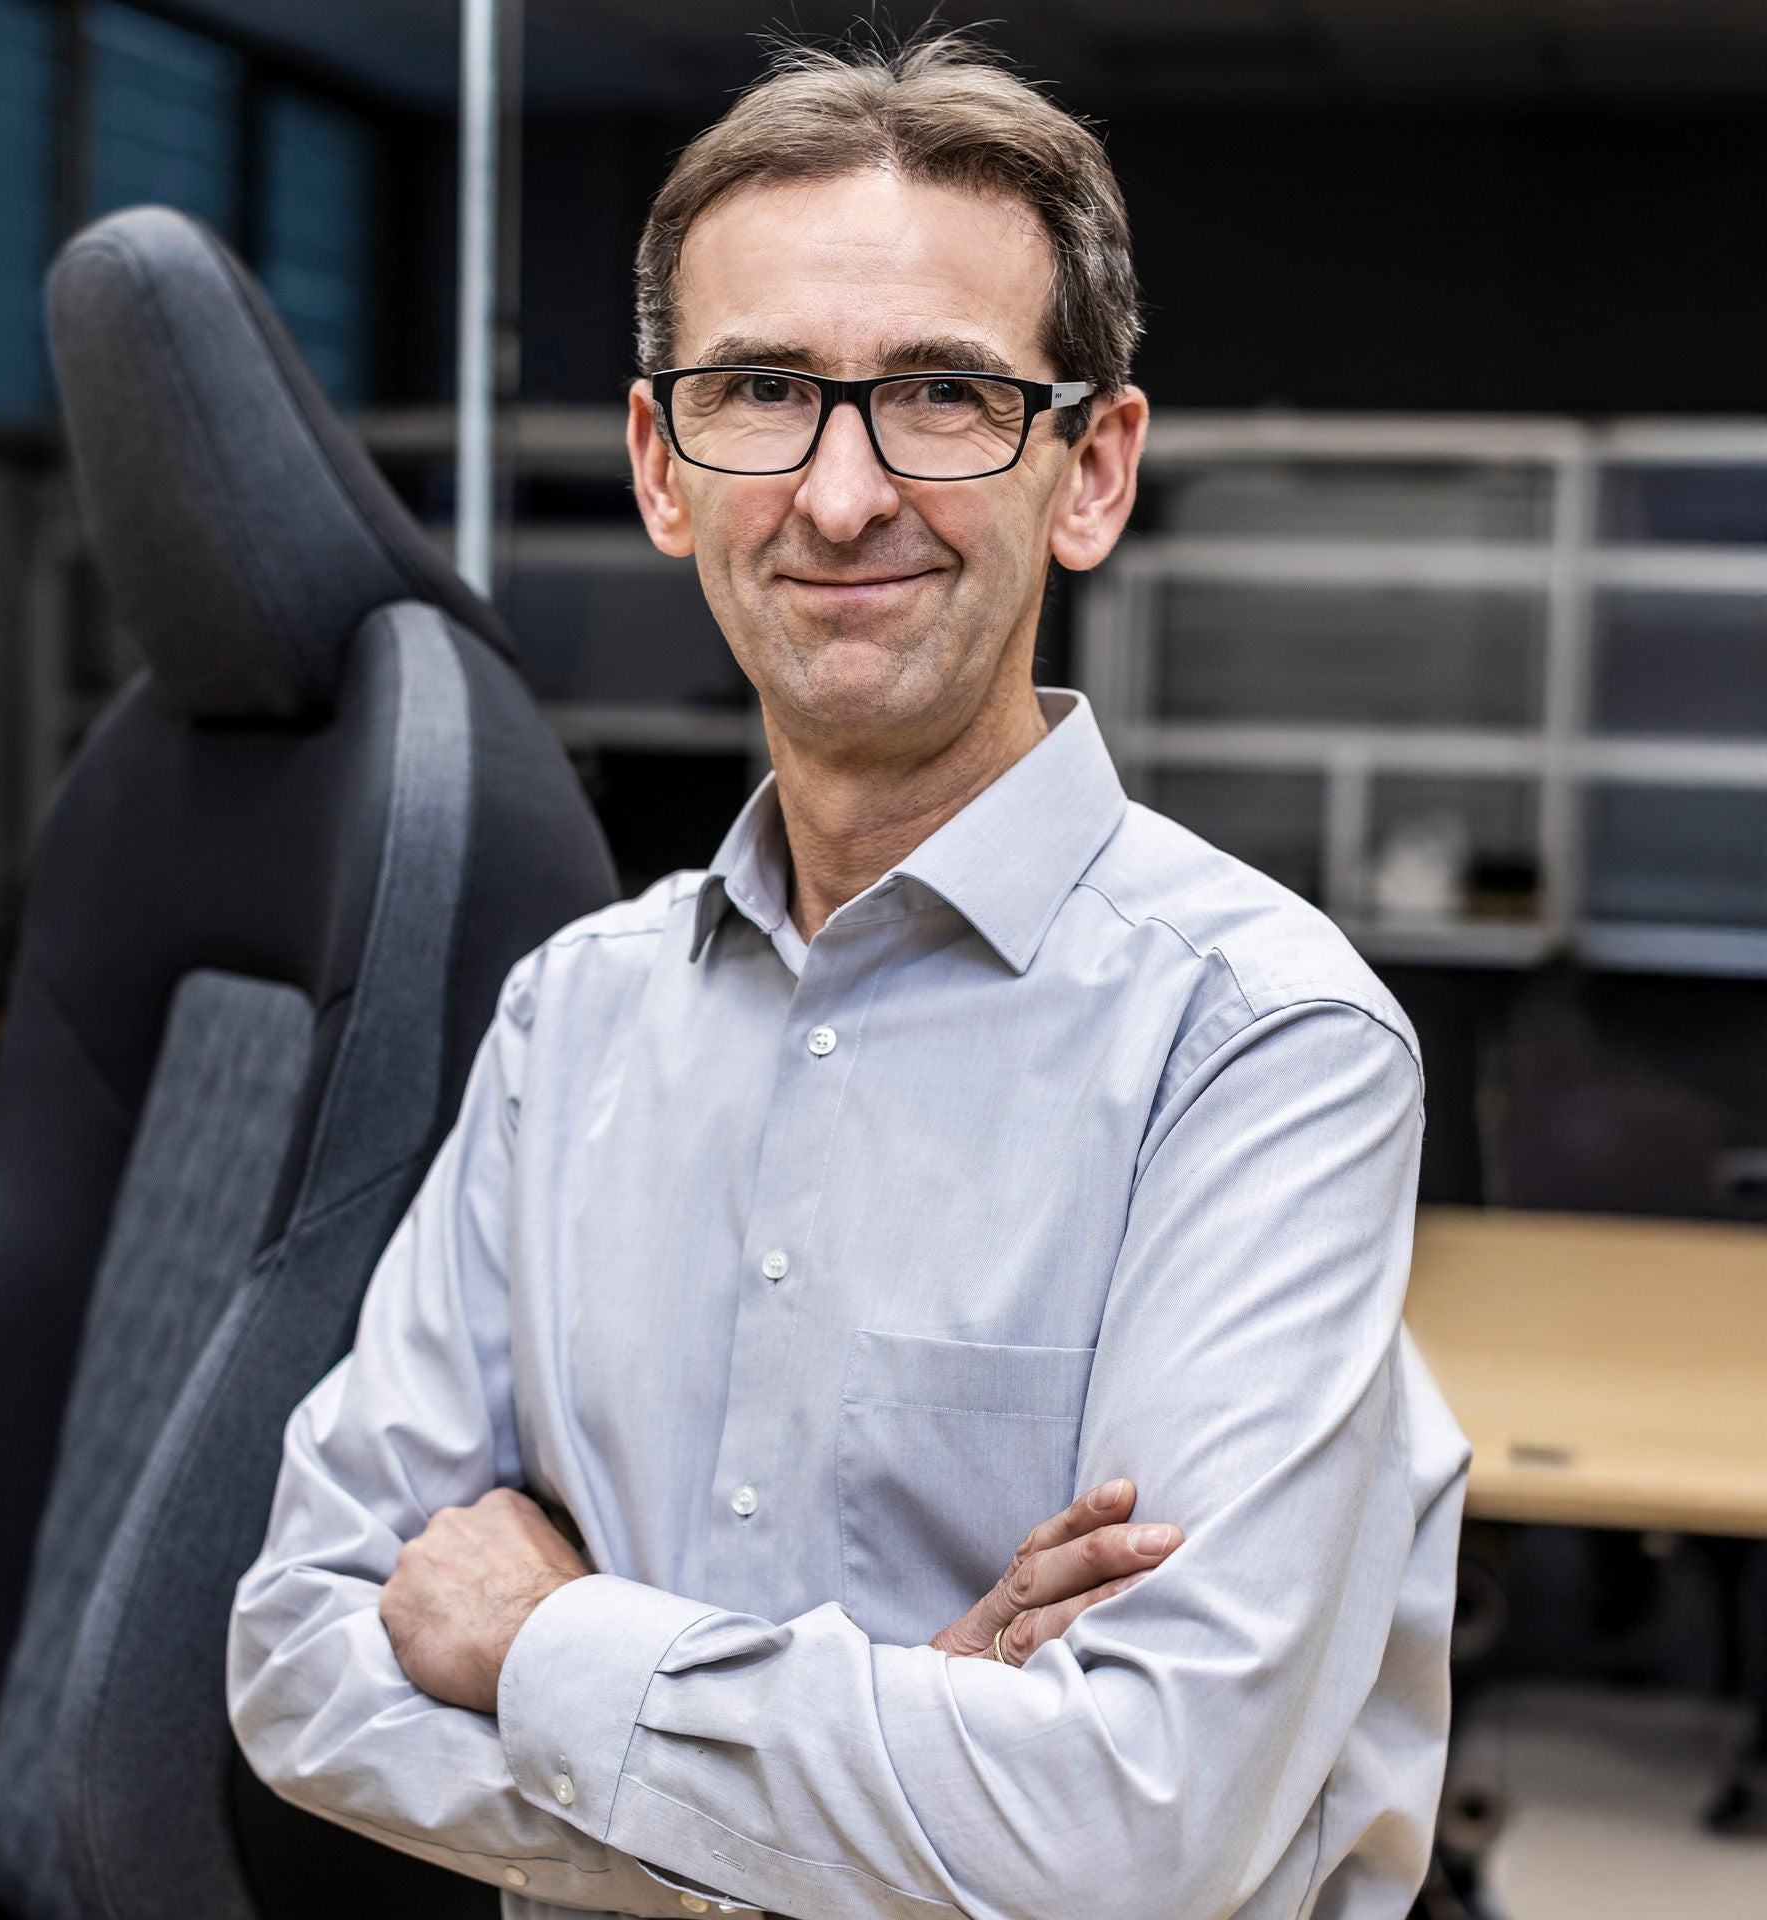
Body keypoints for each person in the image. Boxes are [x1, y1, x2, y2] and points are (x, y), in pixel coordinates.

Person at [228, 31, 1470, 1920]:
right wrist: (873, 1786)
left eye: (945, 396)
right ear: (661, 468)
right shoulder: (574, 1019)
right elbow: (299, 1660)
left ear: (1090, 472)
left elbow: (1133, 1834)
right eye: (759, 391)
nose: (836, 496)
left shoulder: (1262, 1044)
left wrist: (555, 1649)